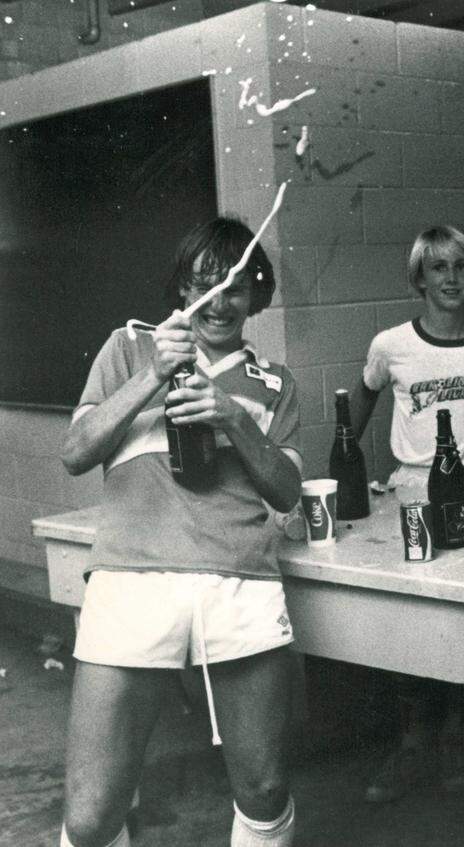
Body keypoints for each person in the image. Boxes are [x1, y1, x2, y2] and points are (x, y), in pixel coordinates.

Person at [59, 218, 303, 847]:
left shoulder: (275, 383)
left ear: (256, 295)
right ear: (182, 289)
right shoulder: (129, 346)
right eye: (204, 286)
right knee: (90, 818)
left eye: (235, 288)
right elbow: (76, 451)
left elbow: (285, 490)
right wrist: (150, 377)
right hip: (130, 579)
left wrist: (232, 419)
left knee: (265, 788)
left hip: (238, 579)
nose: (219, 303)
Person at [348, 225, 464, 803]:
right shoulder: (390, 345)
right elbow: (358, 405)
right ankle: (413, 743)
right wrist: (344, 482)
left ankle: (458, 737)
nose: (451, 279)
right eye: (438, 269)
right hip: (414, 488)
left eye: (460, 267)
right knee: (412, 620)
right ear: (419, 279)